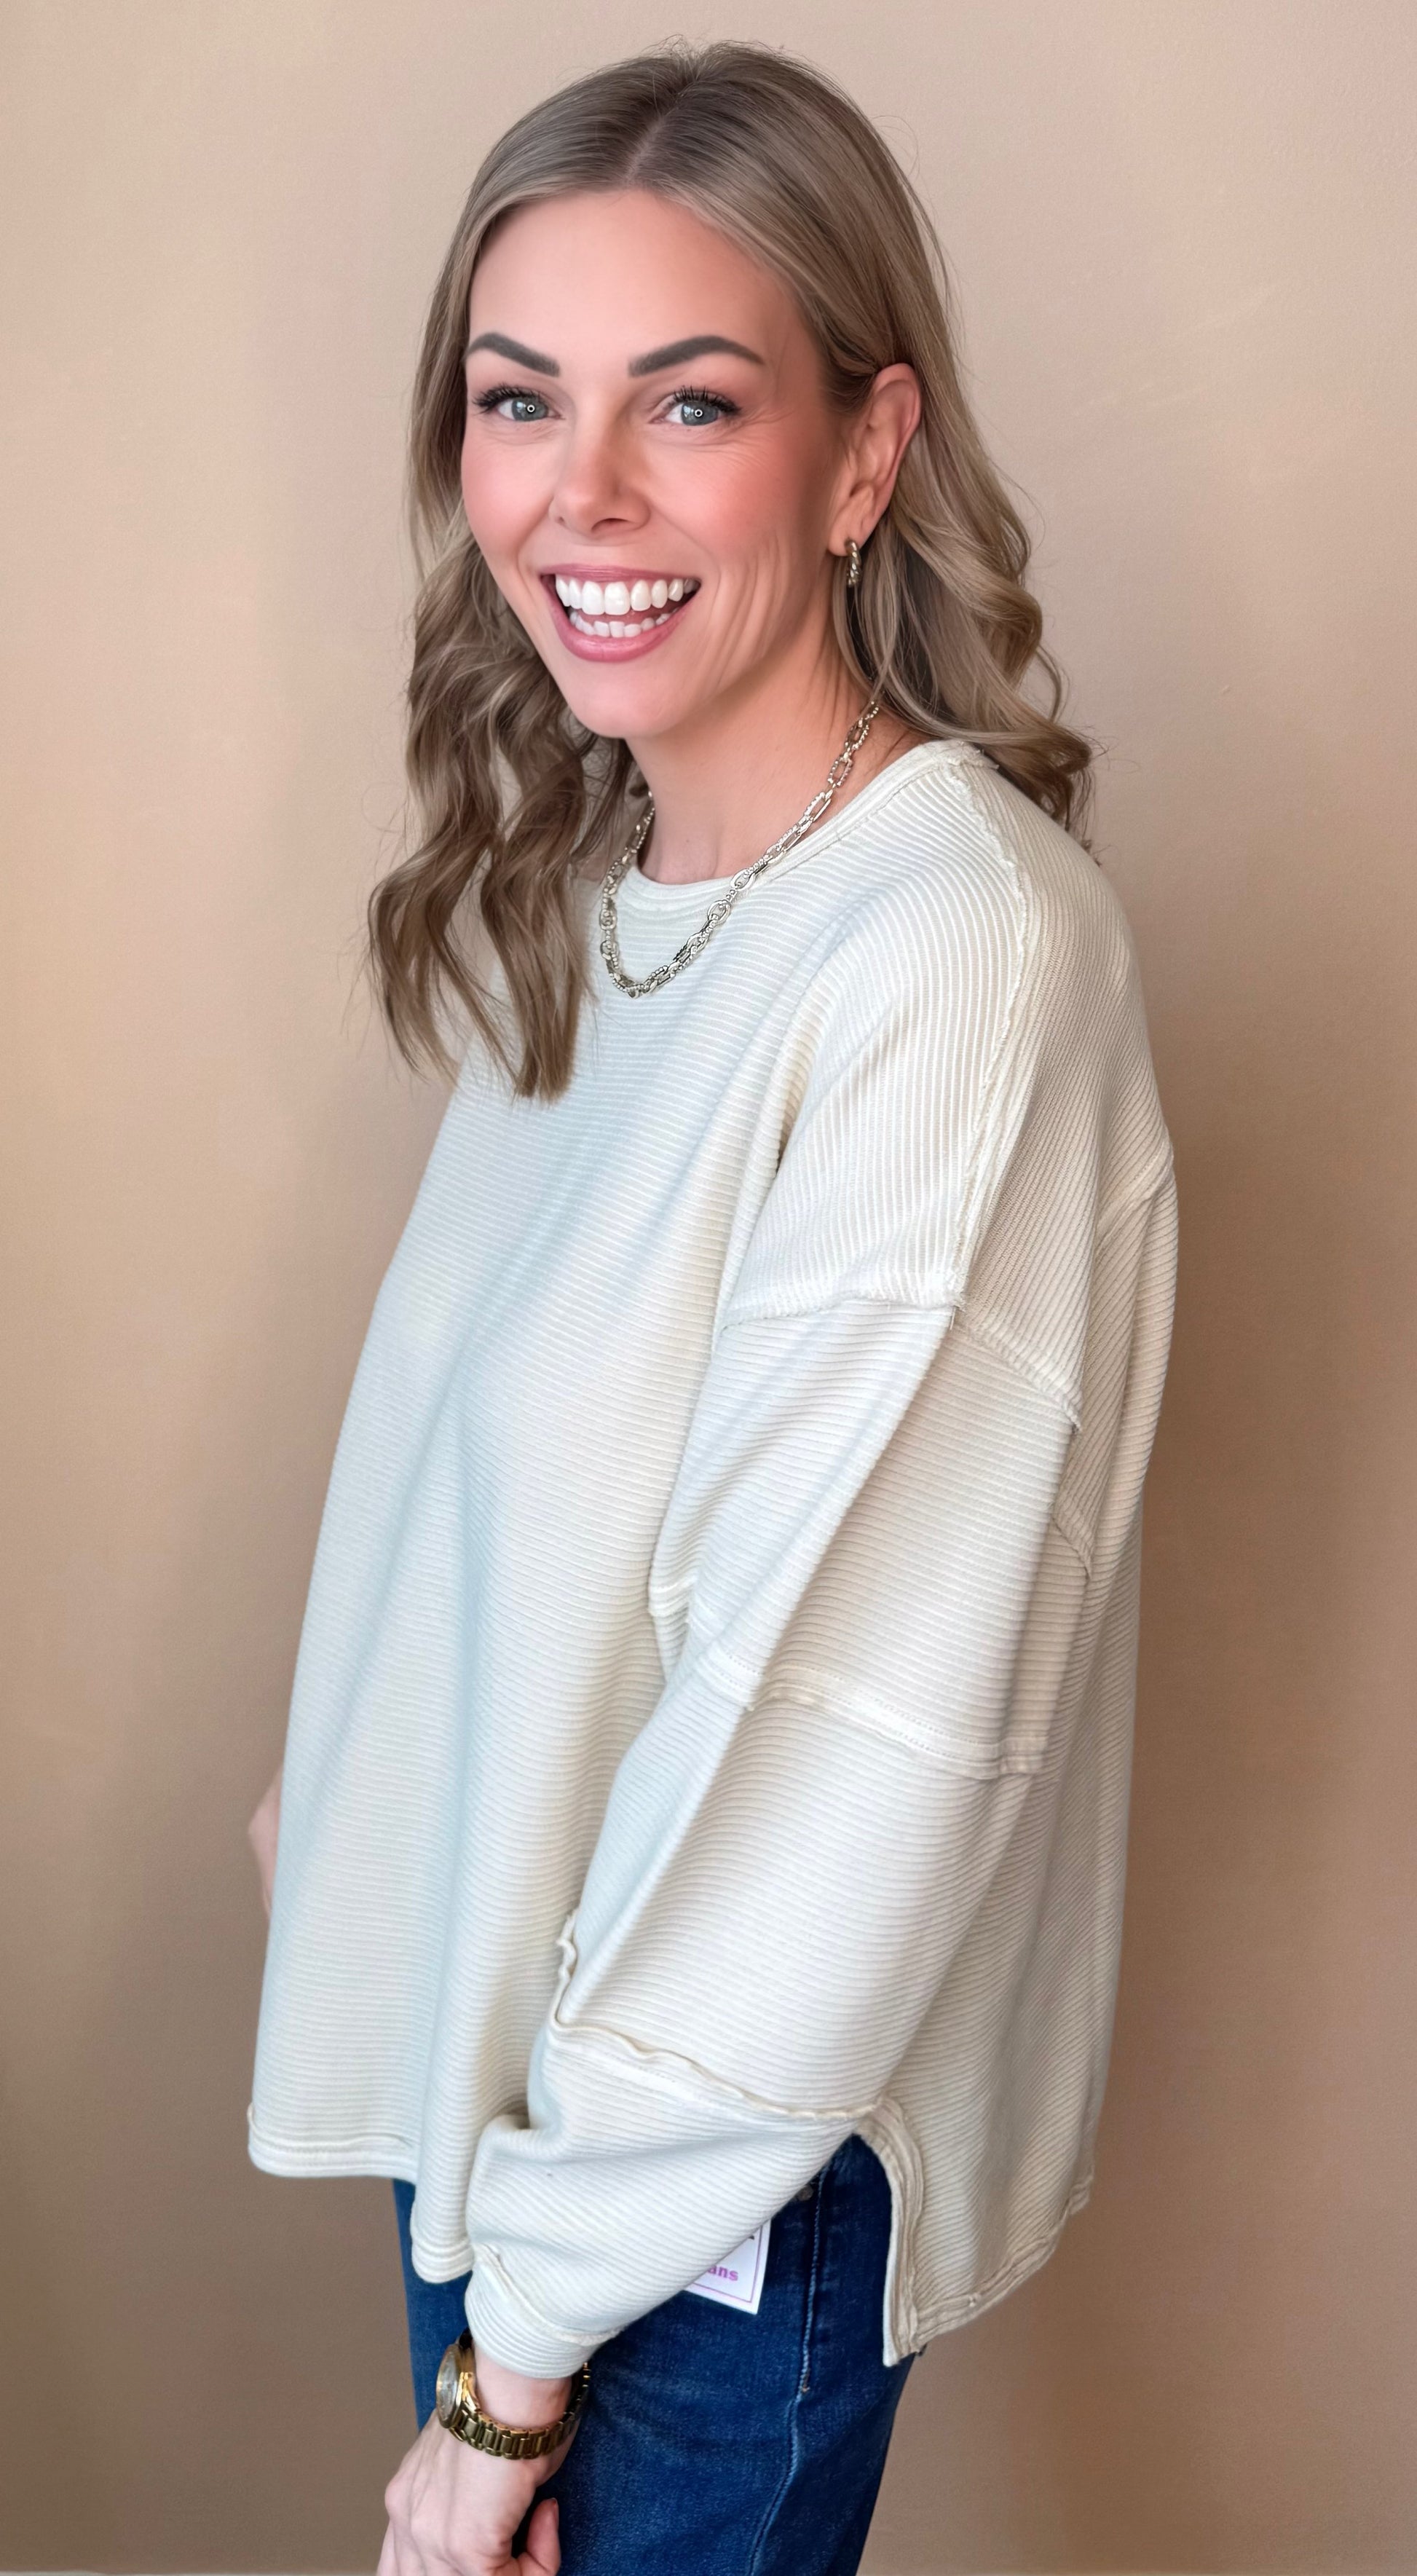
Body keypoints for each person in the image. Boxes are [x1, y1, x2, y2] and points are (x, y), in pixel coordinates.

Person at [246, 39, 1177, 2576]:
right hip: (524, 2102)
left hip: (690, 2200)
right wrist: (353, 1824)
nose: (583, 495)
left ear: (864, 455)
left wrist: (512, 2368)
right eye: (516, 400)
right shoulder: (609, 897)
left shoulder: (949, 957)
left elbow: (833, 1744)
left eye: (690, 402)